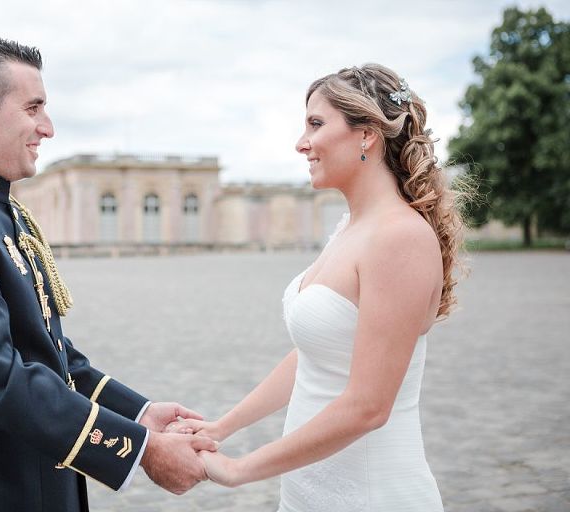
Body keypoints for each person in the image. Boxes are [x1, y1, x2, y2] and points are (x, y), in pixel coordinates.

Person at [0, 37, 216, 512]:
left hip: (35, 469)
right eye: (34, 108)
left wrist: (139, 414)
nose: (48, 128)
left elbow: (51, 355)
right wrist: (140, 450)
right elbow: (0, 378)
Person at [170, 64, 464, 511]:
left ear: (366, 134)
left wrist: (238, 469)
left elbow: (369, 406)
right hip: (311, 493)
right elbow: (315, 354)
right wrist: (221, 427)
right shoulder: (350, 228)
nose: (301, 143)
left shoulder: (400, 238)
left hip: (372, 494)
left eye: (315, 124)